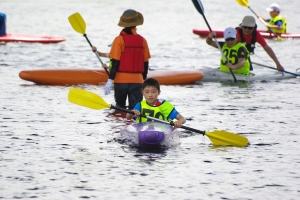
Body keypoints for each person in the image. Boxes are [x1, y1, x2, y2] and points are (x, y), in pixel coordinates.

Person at [92, 9, 151, 110]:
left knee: (120, 109)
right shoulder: (142, 40)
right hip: (137, 81)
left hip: (120, 82)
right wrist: (144, 79)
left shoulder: (119, 40)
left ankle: (120, 125)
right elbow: (145, 62)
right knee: (136, 111)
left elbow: (115, 61)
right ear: (136, 25)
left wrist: (110, 80)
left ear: (123, 24)